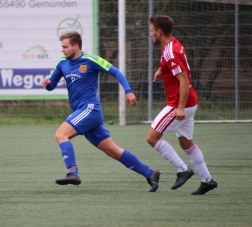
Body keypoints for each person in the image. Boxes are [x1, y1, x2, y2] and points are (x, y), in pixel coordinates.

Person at [41, 31, 160, 192]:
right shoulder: (62, 63)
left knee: (61, 135)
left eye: (65, 46)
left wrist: (128, 91)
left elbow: (115, 72)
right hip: (84, 114)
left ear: (75, 46)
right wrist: (47, 83)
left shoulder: (91, 60)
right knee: (113, 150)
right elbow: (51, 85)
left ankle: (72, 173)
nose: (62, 50)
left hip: (89, 109)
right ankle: (150, 173)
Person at [146, 15, 217, 195]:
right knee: (186, 143)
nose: (150, 34)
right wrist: (161, 70)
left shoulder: (170, 52)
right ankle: (207, 180)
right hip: (190, 102)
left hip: (180, 104)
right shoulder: (173, 44)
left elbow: (183, 81)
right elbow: (176, 64)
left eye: (151, 30)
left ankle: (182, 170)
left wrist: (180, 107)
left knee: (152, 138)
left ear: (159, 32)